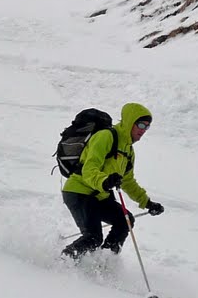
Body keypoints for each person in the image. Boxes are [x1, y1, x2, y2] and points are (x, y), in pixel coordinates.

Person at [61, 101, 165, 259]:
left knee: (125, 221)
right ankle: (62, 261)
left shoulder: (128, 150)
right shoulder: (106, 137)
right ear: (130, 122)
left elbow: (128, 181)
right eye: (140, 125)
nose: (143, 130)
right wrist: (105, 181)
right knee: (93, 237)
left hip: (99, 196)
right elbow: (89, 169)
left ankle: (105, 261)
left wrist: (147, 203)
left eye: (147, 127)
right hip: (79, 191)